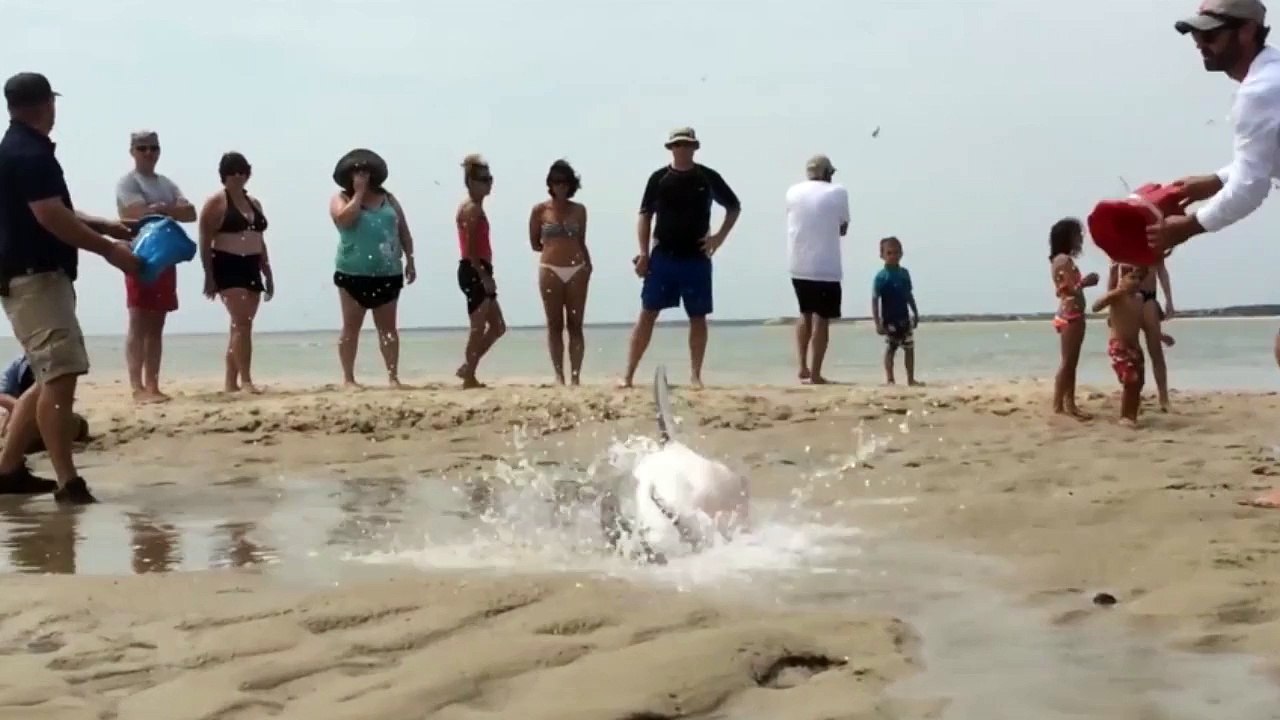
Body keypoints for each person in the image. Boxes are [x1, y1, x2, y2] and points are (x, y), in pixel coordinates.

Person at [1146, 1, 1280, 503]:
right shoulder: (1270, 79)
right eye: (1194, 34)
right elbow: (1259, 160)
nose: (1199, 44)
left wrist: (1188, 227)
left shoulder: (1260, 91)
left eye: (1211, 34)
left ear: (1247, 32)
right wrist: (1214, 179)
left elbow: (1252, 187)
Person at [0, 72, 141, 503]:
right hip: (34, 278)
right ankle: (68, 482)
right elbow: (49, 216)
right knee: (61, 374)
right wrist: (108, 250)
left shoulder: (17, 150)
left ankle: (6, 471)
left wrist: (103, 225)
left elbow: (53, 209)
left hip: (28, 277)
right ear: (46, 105)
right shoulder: (30, 153)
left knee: (46, 379)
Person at [622, 127, 741, 388]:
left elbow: (734, 206)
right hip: (663, 255)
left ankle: (695, 375)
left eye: (687, 145)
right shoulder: (659, 178)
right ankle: (628, 375)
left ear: (695, 147)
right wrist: (643, 253)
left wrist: (718, 237)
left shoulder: (707, 177)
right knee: (648, 313)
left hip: (696, 257)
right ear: (671, 148)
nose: (682, 149)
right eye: (677, 145)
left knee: (697, 316)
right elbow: (645, 215)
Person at [115, 130, 196, 404]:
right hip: (138, 254)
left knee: (157, 323)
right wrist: (168, 209)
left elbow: (190, 212)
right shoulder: (128, 182)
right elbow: (138, 213)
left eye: (153, 148)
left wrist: (165, 208)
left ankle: (153, 385)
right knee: (138, 320)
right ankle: (137, 388)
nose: (148, 153)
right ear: (133, 151)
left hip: (166, 256)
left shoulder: (166, 183)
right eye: (142, 148)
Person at [329, 158, 416, 389]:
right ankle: (348, 378)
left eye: (366, 171)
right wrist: (358, 194)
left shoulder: (388, 199)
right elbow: (343, 220)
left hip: (388, 272)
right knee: (351, 327)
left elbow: (403, 230)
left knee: (388, 328)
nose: (362, 175)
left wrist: (410, 259)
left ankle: (393, 376)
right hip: (352, 273)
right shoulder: (342, 198)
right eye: (357, 171)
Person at [198, 152, 275, 393]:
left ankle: (230, 382)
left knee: (240, 325)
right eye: (233, 172)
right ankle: (247, 380)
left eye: (243, 171)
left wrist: (268, 271)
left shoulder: (254, 203)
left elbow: (260, 240)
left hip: (251, 264)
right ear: (224, 175)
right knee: (242, 324)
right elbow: (205, 240)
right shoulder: (216, 203)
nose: (239, 176)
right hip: (227, 264)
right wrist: (209, 276)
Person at [785, 154, 850, 385]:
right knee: (822, 318)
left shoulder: (792, 192)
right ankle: (815, 373)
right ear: (827, 174)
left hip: (798, 263)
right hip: (826, 265)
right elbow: (843, 227)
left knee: (805, 313)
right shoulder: (837, 192)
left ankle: (802, 366)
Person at [529, 159, 591, 385]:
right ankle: (558, 375)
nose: (560, 187)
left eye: (564, 182)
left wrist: (588, 265)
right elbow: (535, 243)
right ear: (550, 184)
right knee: (554, 324)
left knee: (575, 325)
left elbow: (581, 240)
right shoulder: (539, 210)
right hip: (550, 269)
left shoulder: (579, 210)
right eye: (556, 182)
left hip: (576, 268)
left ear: (570, 184)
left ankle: (575, 375)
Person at [456, 154, 505, 389]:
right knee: (478, 327)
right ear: (471, 182)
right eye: (484, 179)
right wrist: (484, 276)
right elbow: (471, 248)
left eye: (490, 178)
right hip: (473, 269)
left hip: (481, 268)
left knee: (498, 326)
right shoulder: (471, 209)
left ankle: (468, 366)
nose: (489, 183)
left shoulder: (477, 208)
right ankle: (469, 375)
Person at [1107, 261, 1177, 411]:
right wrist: (1111, 307)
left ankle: (1163, 398)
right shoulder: (1120, 241)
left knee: (1155, 350)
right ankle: (1133, 395)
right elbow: (1114, 272)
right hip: (1127, 296)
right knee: (1128, 346)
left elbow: (1162, 272)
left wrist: (1169, 301)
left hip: (1148, 296)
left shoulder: (1154, 241)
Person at [1048, 218, 1100, 419]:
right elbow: (1066, 289)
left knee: (1070, 361)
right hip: (1071, 314)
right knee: (1069, 362)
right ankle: (1060, 404)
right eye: (1078, 235)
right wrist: (1085, 282)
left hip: (1067, 313)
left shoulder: (1060, 260)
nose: (1080, 239)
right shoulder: (1063, 261)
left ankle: (1067, 403)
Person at [1093, 266, 1148, 427]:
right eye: (1132, 278)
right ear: (1122, 280)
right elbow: (1096, 307)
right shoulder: (1117, 297)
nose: (1136, 282)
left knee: (1139, 383)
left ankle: (1133, 415)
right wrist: (1115, 292)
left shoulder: (1139, 299)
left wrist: (1159, 335)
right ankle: (1125, 416)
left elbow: (1140, 321)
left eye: (1139, 278)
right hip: (1119, 346)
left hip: (1135, 347)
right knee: (1131, 380)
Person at [0, 354, 87, 449]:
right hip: (21, 416)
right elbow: (2, 395)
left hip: (50, 413)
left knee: (78, 425)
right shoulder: (19, 364)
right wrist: (21, 408)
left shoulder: (56, 361)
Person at [872, 236, 920, 385]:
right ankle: (890, 379)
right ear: (882, 255)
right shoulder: (881, 277)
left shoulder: (904, 274)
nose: (893, 256)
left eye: (896, 252)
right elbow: (875, 300)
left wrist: (915, 312)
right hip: (889, 319)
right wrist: (877, 322)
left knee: (909, 348)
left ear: (901, 253)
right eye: (889, 253)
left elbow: (909, 295)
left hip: (904, 317)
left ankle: (911, 379)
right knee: (891, 348)